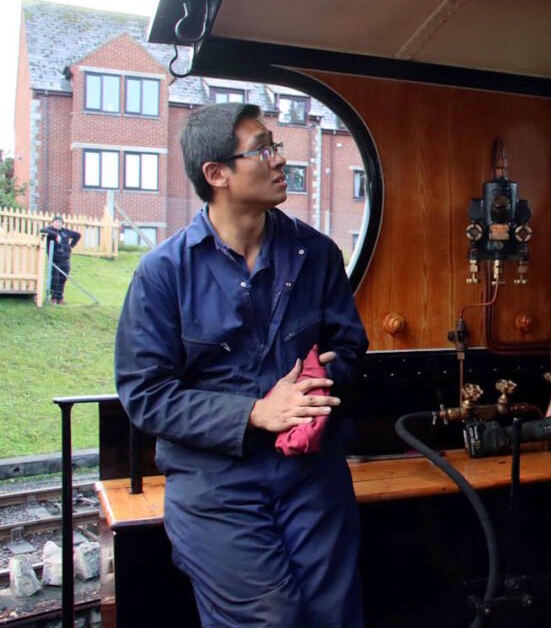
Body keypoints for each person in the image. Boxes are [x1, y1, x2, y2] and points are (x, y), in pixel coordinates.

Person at [114, 103, 368, 627]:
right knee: (270, 619)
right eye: (264, 149)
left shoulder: (316, 254)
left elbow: (349, 345)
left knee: (333, 617)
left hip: (312, 477)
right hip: (214, 488)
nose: (280, 159)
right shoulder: (163, 273)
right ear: (217, 174)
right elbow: (145, 395)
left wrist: (321, 382)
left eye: (275, 145)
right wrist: (255, 412)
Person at [40, 215, 80, 304]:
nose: (58, 224)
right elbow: (42, 230)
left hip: (65, 259)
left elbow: (77, 235)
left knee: (63, 279)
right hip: (55, 260)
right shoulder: (49, 230)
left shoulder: (65, 232)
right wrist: (55, 235)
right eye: (56, 222)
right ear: (52, 222)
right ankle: (53, 298)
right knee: (55, 279)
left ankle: (60, 298)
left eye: (60, 222)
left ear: (62, 224)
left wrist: (71, 246)